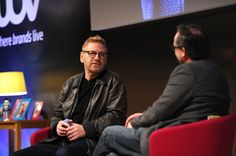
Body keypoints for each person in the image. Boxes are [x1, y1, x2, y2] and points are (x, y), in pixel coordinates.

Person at [92, 23, 230, 156]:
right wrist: (143, 117)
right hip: (200, 140)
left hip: (176, 141)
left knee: (109, 133)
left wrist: (135, 123)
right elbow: (191, 110)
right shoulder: (216, 72)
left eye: (174, 47)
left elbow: (162, 108)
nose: (174, 50)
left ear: (183, 52)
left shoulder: (187, 71)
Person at [14, 35, 127, 156]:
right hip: (61, 140)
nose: (97, 58)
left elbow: (116, 116)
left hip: (91, 141)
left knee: (64, 154)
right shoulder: (70, 83)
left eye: (102, 54)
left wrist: (85, 129)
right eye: (92, 53)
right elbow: (57, 114)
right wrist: (57, 125)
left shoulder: (113, 81)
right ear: (82, 57)